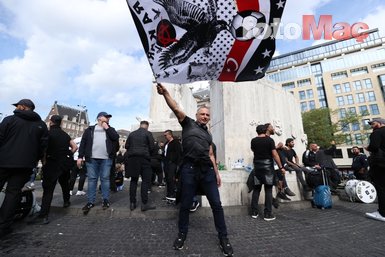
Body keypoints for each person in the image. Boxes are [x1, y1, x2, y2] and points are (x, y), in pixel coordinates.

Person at [157, 83, 233, 257]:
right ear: (196, 115)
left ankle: (224, 237)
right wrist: (166, 93)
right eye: (202, 114)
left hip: (206, 171)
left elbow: (211, 154)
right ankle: (182, 234)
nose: (205, 117)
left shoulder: (209, 135)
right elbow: (175, 107)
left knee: (216, 205)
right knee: (185, 205)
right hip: (189, 169)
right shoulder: (188, 124)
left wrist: (217, 172)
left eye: (207, 115)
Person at [0, 99, 48, 238]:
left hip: (3, 161)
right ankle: (3, 227)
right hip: (25, 164)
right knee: (13, 194)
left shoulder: (9, 120)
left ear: (24, 107)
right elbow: (43, 146)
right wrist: (35, 159)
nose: (16, 108)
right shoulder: (41, 125)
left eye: (18, 106)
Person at [30, 115, 77, 225]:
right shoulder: (65, 135)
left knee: (48, 190)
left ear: (51, 122)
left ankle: (44, 215)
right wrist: (68, 154)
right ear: (60, 123)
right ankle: (66, 201)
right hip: (64, 164)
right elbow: (75, 147)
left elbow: (43, 148)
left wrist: (42, 160)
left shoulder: (47, 133)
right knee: (65, 184)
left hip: (51, 163)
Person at [77, 112, 119, 214]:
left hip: (106, 159)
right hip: (91, 159)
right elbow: (83, 143)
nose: (108, 119)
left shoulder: (110, 129)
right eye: (106, 117)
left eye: (109, 117)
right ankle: (90, 201)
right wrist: (80, 157)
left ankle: (105, 200)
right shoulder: (90, 130)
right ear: (99, 118)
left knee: (105, 179)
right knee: (92, 180)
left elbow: (115, 137)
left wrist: (107, 128)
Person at [250, 124, 285, 221]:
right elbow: (274, 154)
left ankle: (254, 211)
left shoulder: (253, 140)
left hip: (257, 167)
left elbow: (253, 150)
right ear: (265, 130)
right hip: (267, 167)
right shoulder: (269, 140)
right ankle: (267, 214)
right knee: (268, 190)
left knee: (256, 189)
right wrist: (281, 167)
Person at [124, 120, 156, 211]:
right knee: (145, 181)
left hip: (133, 159)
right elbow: (152, 147)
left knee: (133, 181)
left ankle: (132, 203)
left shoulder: (132, 134)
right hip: (144, 159)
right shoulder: (148, 133)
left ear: (140, 125)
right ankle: (144, 203)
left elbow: (126, 146)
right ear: (147, 126)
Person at [365, 118, 385, 222]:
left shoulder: (377, 133)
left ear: (380, 123)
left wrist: (368, 148)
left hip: (380, 164)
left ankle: (382, 213)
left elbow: (374, 147)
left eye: (373, 123)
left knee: (381, 188)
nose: (372, 126)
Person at [163, 129, 182, 203]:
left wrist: (177, 163)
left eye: (165, 135)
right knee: (167, 179)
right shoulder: (167, 143)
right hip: (166, 163)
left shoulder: (176, 142)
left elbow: (179, 153)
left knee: (171, 179)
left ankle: (173, 195)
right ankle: (168, 195)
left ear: (170, 135)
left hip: (172, 163)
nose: (165, 136)